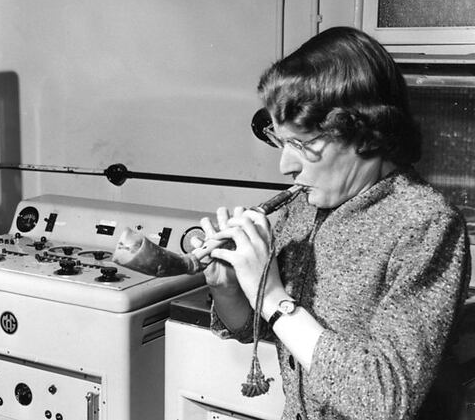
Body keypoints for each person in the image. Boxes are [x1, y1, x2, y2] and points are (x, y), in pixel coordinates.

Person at [195, 26, 471, 420]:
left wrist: (270, 295)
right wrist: (229, 290)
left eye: (303, 144)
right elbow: (262, 328)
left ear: (366, 134)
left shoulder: (426, 225)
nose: (285, 166)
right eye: (281, 141)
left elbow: (385, 400)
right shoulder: (302, 209)